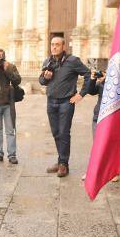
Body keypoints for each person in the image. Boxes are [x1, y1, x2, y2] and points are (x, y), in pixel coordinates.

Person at [39, 35, 91, 177]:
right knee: (56, 132)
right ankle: (60, 160)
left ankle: (63, 164)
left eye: (57, 44)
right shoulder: (48, 61)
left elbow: (87, 74)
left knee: (63, 133)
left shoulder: (72, 61)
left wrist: (81, 94)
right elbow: (42, 81)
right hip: (51, 102)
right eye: (52, 44)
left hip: (66, 103)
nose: (54, 47)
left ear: (63, 46)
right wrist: (45, 78)